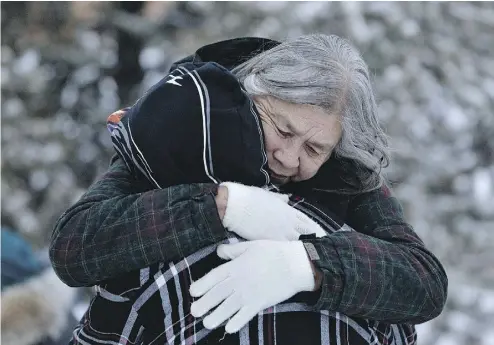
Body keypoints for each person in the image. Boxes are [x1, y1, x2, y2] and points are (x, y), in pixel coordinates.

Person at [50, 35, 448, 344]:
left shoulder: (344, 171)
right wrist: (221, 206)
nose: (289, 158)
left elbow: (424, 281)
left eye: (314, 148)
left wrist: (305, 265)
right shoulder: (186, 132)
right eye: (283, 130)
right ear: (252, 95)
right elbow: (74, 247)